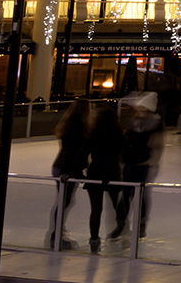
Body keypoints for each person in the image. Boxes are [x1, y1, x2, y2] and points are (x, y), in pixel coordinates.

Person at [111, 94, 164, 241]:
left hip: (143, 164)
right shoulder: (132, 123)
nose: (140, 111)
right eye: (139, 108)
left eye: (143, 108)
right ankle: (121, 224)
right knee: (126, 195)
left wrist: (152, 161)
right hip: (130, 163)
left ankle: (141, 225)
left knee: (141, 196)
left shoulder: (154, 125)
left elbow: (157, 145)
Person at [48, 98, 94, 247]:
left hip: (64, 168)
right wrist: (66, 172)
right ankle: (56, 236)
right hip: (65, 169)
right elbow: (69, 151)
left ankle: (57, 234)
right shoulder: (76, 126)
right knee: (64, 202)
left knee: (65, 201)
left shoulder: (72, 124)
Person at [84, 101, 125, 248]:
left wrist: (82, 171)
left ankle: (94, 238)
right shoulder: (118, 135)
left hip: (95, 172)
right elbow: (117, 156)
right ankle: (122, 228)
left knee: (96, 209)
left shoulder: (93, 134)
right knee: (117, 204)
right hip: (112, 174)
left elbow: (83, 154)